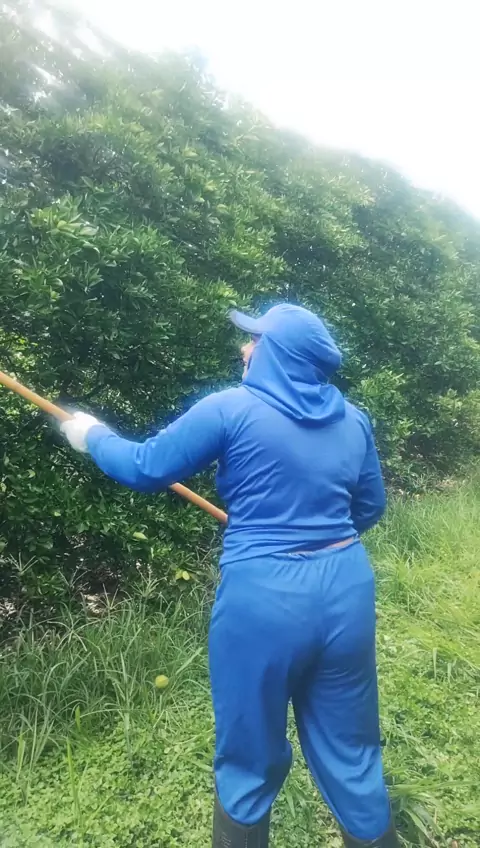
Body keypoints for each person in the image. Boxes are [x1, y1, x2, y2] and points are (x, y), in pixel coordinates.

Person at [60, 304, 399, 847]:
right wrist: (310, 533)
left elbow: (144, 467)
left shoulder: (230, 408)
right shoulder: (354, 419)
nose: (245, 348)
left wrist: (92, 435)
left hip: (263, 598)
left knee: (248, 759)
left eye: (256, 340)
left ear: (279, 355)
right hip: (346, 586)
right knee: (353, 753)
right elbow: (370, 507)